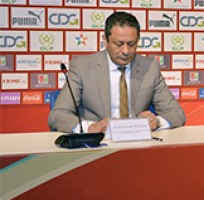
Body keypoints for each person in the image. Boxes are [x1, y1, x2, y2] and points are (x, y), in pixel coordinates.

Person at [48, 12, 185, 133]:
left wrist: (157, 122)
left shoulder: (149, 67)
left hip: (138, 145)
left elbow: (176, 114)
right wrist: (90, 127)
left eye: (131, 44)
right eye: (119, 44)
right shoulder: (82, 67)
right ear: (105, 40)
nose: (126, 51)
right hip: (97, 147)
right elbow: (58, 115)